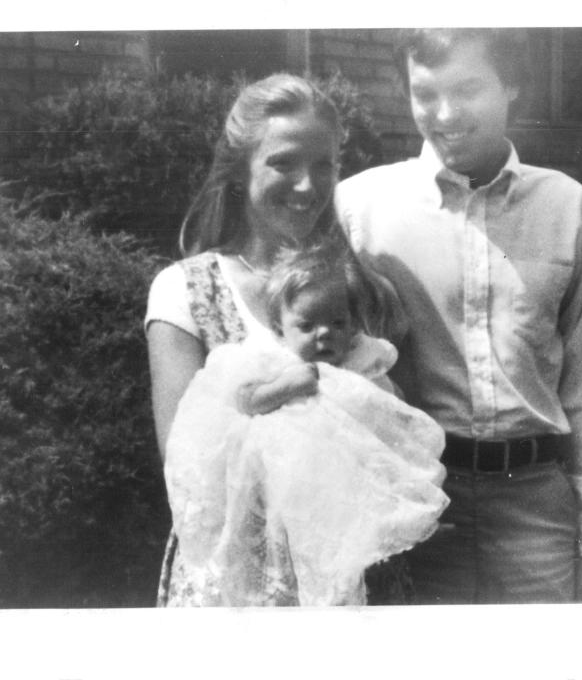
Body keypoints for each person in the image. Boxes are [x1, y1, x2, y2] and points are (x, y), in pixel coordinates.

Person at [335, 28, 582, 603]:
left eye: (468, 89)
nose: (445, 114)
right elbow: (335, 371)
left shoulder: (567, 206)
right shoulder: (359, 208)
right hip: (416, 505)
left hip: (535, 511)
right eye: (425, 93)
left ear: (512, 85)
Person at [145, 73, 405, 606]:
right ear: (240, 172)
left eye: (324, 165)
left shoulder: (355, 287)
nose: (308, 185)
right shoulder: (187, 291)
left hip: (343, 581)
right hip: (231, 586)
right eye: (284, 163)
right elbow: (185, 469)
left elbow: (390, 435)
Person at [163, 241, 448, 606]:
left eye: (337, 323)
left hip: (345, 511)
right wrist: (288, 385)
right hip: (278, 512)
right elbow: (244, 399)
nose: (324, 334)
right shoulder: (268, 360)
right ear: (280, 330)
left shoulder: (364, 368)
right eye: (307, 325)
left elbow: (393, 420)